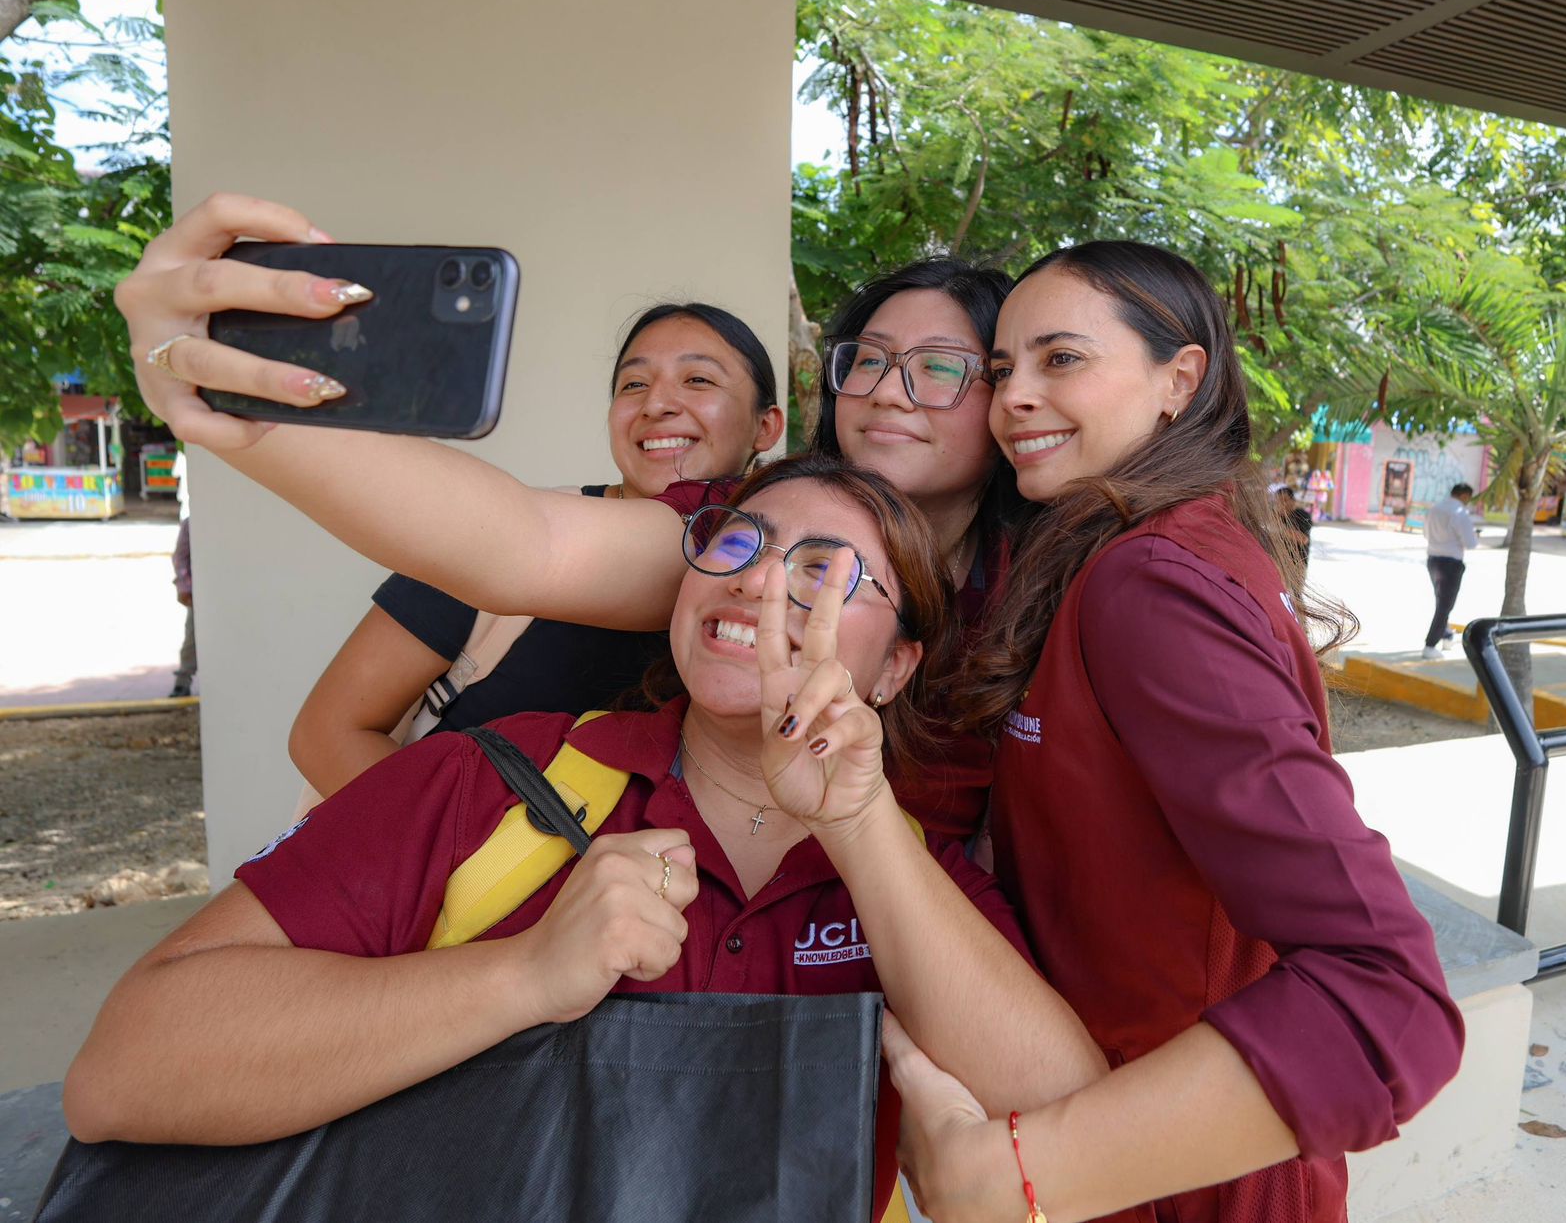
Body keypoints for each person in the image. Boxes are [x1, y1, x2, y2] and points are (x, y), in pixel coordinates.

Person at [63, 454, 1107, 1223]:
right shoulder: (485, 778)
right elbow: (124, 1070)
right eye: (735, 543)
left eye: (825, 571)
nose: (755, 581)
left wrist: (860, 823)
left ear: (896, 667)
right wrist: (524, 974)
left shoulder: (916, 877)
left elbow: (1071, 1125)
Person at [115, 194, 1017, 841]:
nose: (890, 391)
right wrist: (247, 410)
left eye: (942, 367)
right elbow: (525, 542)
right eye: (869, 360)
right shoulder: (730, 531)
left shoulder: (1039, 583)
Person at [882, 242, 1463, 1223]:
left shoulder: (1150, 581)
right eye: (1002, 369)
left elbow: (1384, 998)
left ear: (1179, 380)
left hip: (1183, 1180)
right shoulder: (1109, 548)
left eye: (1061, 359)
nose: (1013, 396)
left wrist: (1018, 1170)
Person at [289, 302, 784, 799]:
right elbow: (329, 733)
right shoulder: (505, 536)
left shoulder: (790, 571)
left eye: (698, 379)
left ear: (767, 426)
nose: (656, 403)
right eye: (633, 384)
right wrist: (477, 853)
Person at [1421, 481, 1477, 659]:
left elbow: (1425, 533)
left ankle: (1446, 636)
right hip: (1451, 562)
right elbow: (1470, 543)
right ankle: (1430, 645)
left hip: (1433, 559)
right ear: (1464, 496)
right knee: (1445, 605)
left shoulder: (1435, 508)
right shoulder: (1460, 512)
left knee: (1442, 601)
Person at [169, 449, 196, 698]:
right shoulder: (190, 525)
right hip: (198, 593)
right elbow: (180, 558)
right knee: (192, 638)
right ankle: (183, 681)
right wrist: (185, 587)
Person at [1270, 481, 1312, 567]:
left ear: (1293, 501)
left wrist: (1278, 529)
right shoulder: (1272, 515)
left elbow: (1303, 539)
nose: (1282, 504)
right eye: (1278, 501)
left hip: (1297, 563)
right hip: (1278, 562)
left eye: (1285, 500)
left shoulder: (1301, 515)